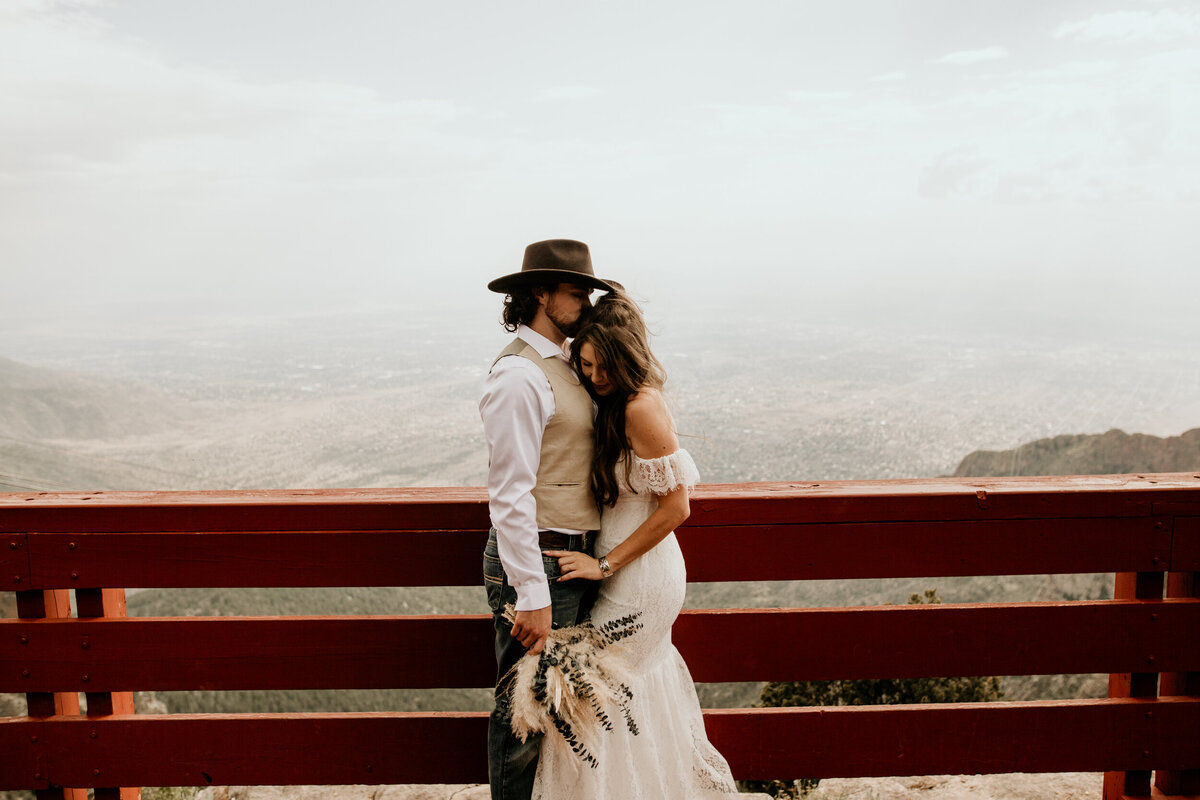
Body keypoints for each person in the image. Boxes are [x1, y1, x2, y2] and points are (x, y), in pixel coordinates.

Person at [524, 287, 744, 798]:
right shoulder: (617, 401)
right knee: (617, 696)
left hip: (640, 579)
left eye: (604, 367)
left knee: (591, 696)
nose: (595, 377)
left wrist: (604, 565)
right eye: (585, 364)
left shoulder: (640, 408)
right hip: (627, 568)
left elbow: (676, 506)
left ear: (626, 358)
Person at [479, 239, 614, 800]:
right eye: (575, 290)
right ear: (539, 293)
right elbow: (509, 493)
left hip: (564, 557)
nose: (585, 300)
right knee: (523, 712)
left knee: (557, 708)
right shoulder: (519, 376)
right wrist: (531, 590)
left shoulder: (562, 362)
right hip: (538, 561)